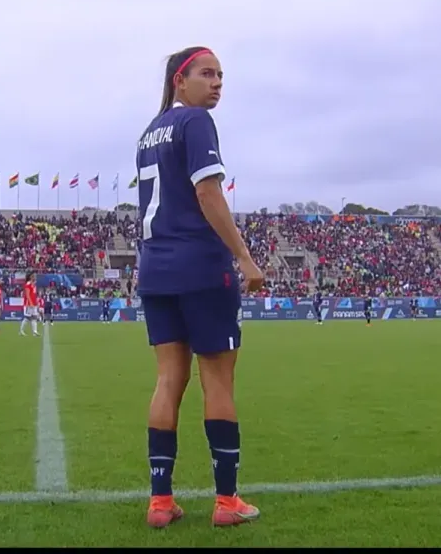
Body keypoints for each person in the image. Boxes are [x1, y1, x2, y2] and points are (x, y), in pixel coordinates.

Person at [135, 46, 265, 529]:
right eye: (207, 74)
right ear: (179, 81)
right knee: (218, 379)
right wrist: (245, 257)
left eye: (221, 76)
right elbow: (207, 192)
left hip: (157, 270)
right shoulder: (195, 122)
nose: (217, 83)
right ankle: (227, 501)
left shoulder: (149, 133)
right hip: (202, 270)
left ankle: (160, 501)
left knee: (169, 379)